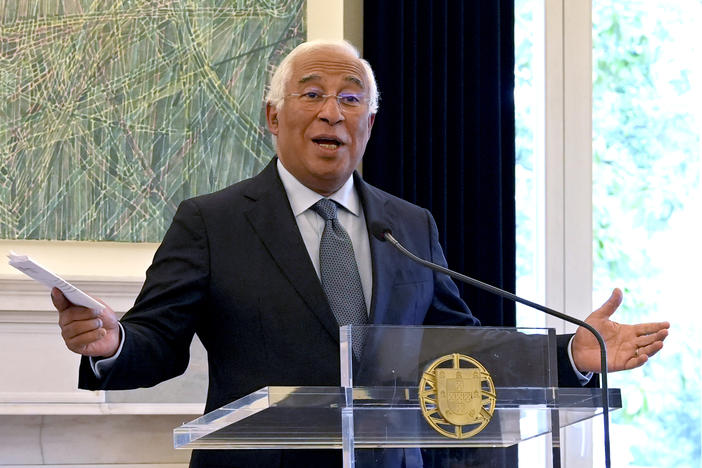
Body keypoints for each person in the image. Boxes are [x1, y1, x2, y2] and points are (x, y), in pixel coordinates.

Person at [52, 39, 670, 468]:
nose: (332, 112)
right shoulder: (211, 222)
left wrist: (571, 354)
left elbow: (460, 355)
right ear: (274, 115)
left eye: (351, 99)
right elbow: (157, 342)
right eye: (312, 94)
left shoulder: (410, 227)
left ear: (370, 123)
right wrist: (113, 346)